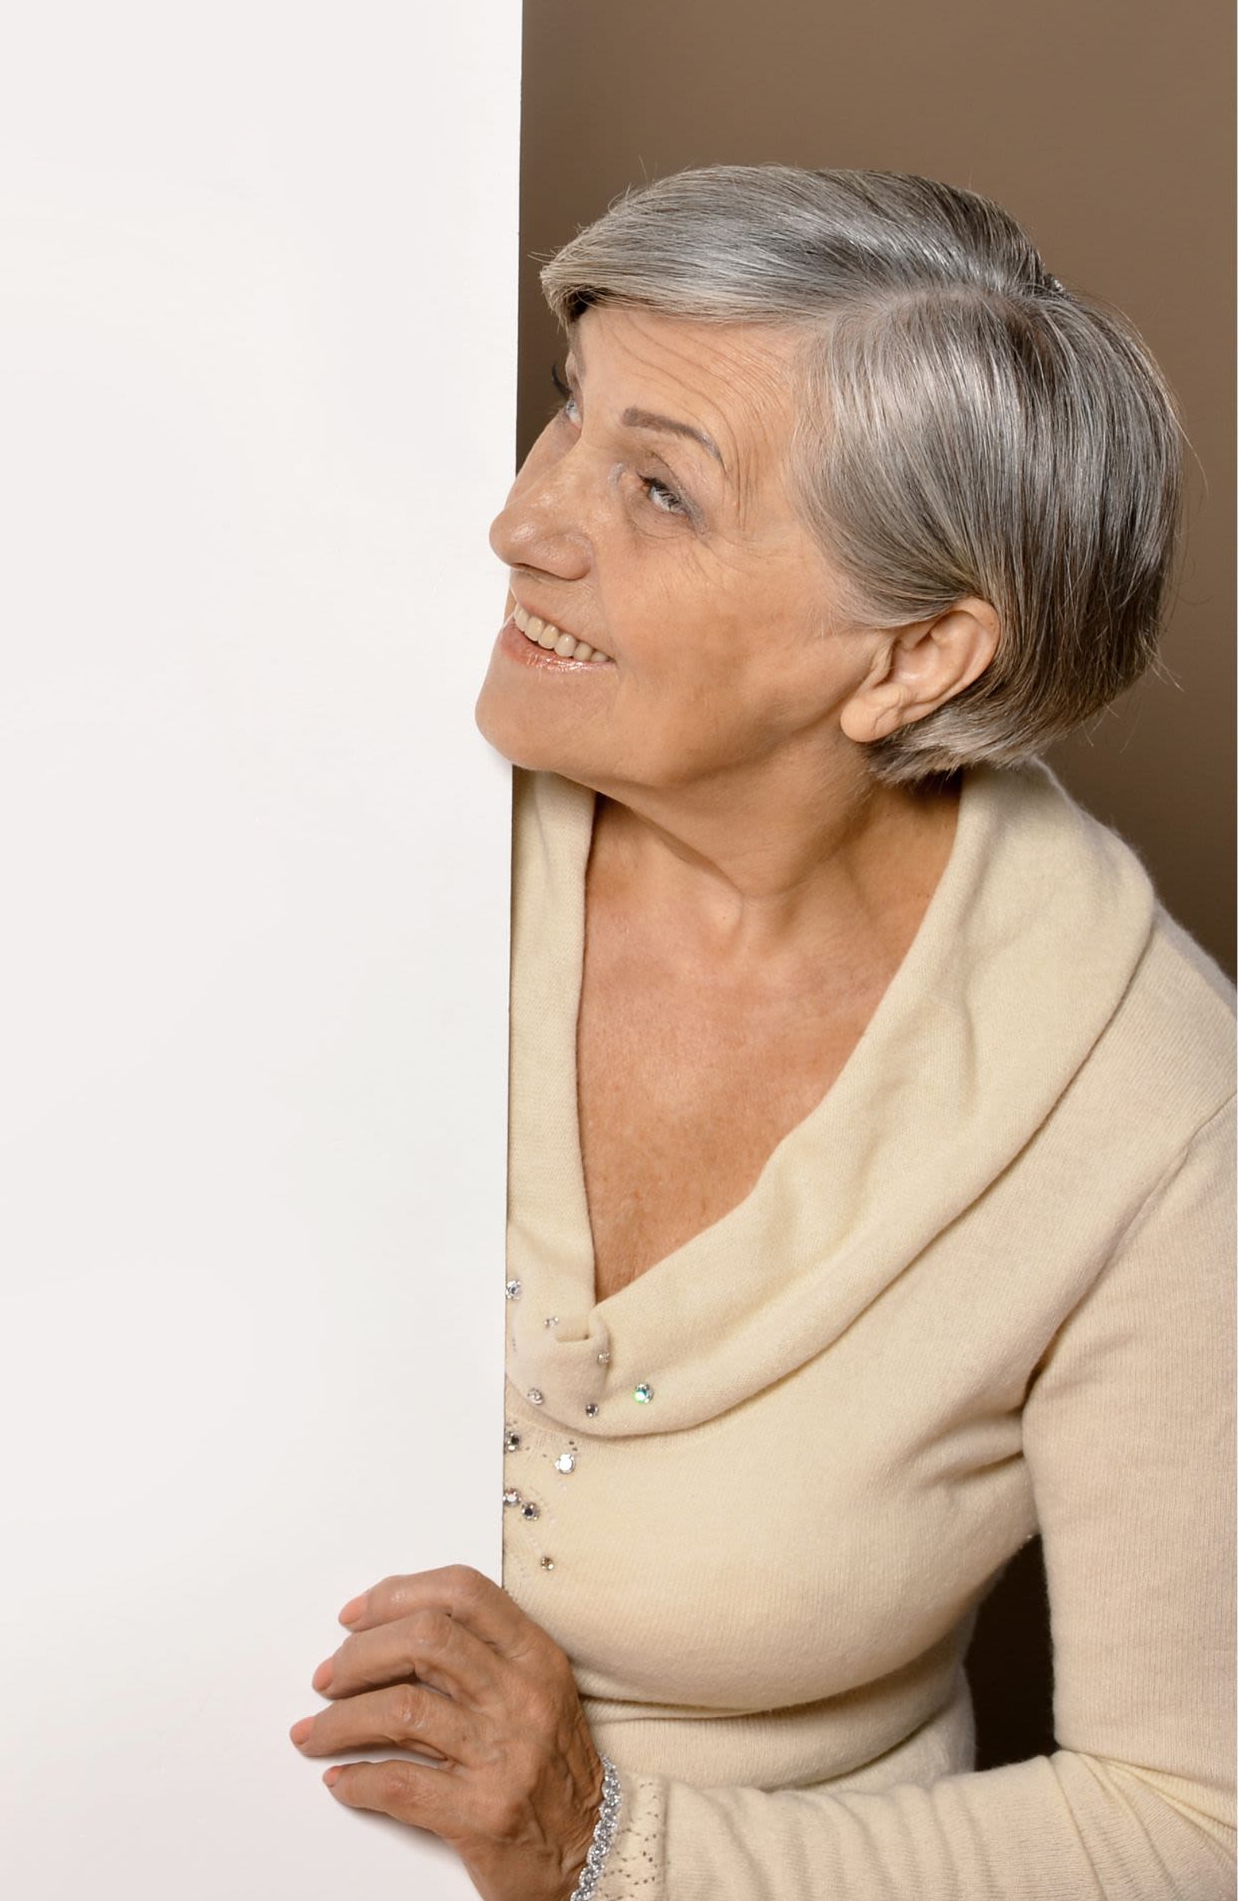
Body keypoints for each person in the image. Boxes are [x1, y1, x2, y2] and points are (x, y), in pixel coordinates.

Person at [285, 165, 1235, 1899]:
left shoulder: (1153, 1112)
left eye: (658, 490)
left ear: (915, 657)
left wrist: (606, 1847)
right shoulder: (349, 777)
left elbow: (1192, 1818)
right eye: (567, 418)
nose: (528, 522)